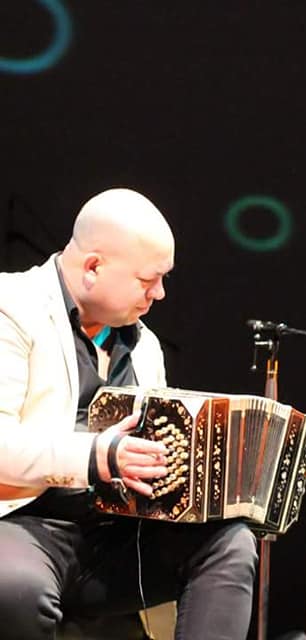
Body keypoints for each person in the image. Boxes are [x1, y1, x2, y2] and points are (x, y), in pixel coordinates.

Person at [0, 188, 258, 639]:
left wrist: (244, 477)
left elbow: (158, 457)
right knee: (15, 587)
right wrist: (98, 455)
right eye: (147, 279)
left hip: (111, 535)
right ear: (94, 267)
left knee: (229, 543)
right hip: (20, 521)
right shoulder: (11, 309)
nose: (159, 293)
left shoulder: (144, 345)